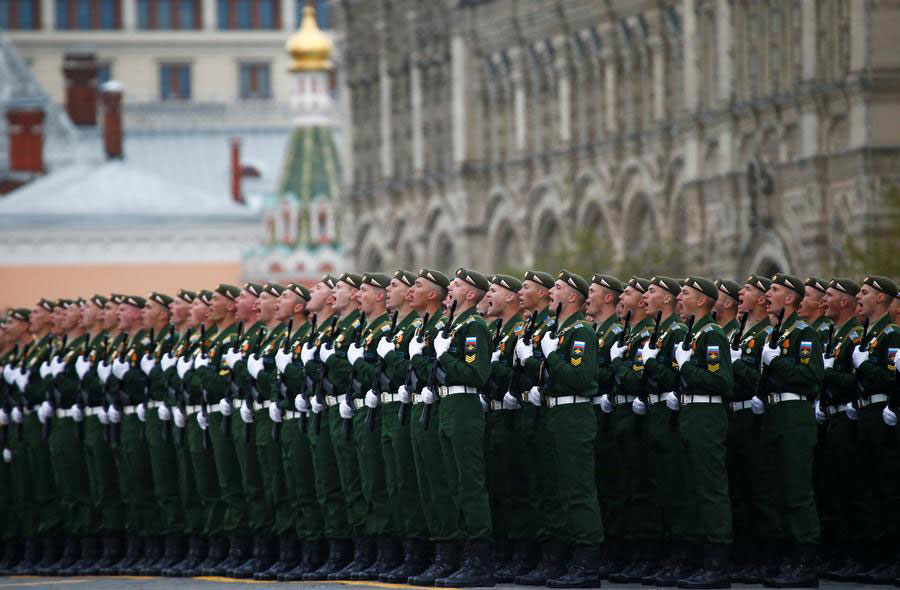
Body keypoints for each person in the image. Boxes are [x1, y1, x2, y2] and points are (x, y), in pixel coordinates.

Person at [752, 274, 824, 588]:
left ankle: (805, 563)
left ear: (791, 298)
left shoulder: (803, 333)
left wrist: (777, 362)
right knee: (775, 490)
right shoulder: (776, 333)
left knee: (796, 490)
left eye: (775, 290)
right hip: (774, 413)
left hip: (794, 414)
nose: (767, 294)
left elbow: (811, 375)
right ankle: (784, 558)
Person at [851, 276, 900, 584]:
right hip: (865, 411)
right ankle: (876, 556)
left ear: (881, 298)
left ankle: (892, 558)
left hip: (883, 412)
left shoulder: (891, 335)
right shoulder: (869, 334)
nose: (859, 296)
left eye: (866, 292)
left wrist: (864, 366)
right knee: (868, 487)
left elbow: (892, 378)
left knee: (888, 489)